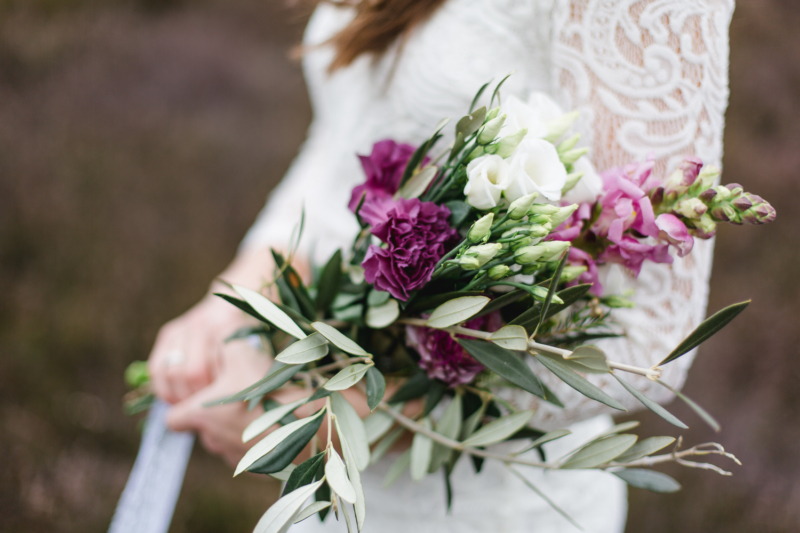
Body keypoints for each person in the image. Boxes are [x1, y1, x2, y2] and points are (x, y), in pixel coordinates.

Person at [148, 0, 735, 530]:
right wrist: (234, 300)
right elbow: (341, 140)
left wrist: (338, 422)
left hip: (488, 501)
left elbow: (648, 339)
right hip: (336, 487)